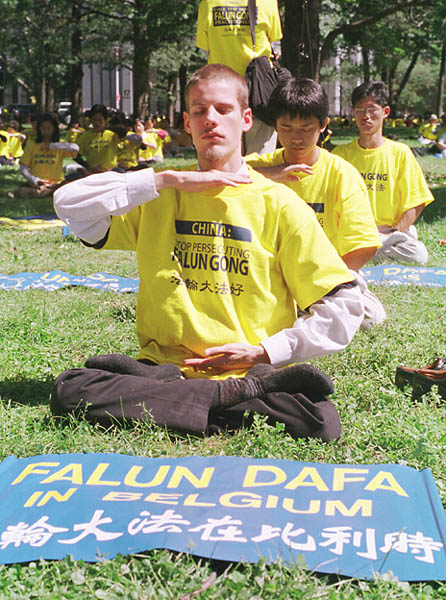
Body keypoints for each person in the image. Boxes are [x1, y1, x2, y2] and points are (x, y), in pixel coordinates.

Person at [52, 64, 364, 442]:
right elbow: (68, 205)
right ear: (187, 122)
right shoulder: (160, 194)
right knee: (70, 389)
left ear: (246, 119)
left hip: (250, 372)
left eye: (223, 109)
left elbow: (345, 306)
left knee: (319, 421)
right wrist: (163, 178)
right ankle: (218, 401)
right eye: (200, 111)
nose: (211, 119)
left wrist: (265, 352)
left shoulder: (280, 203)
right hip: (165, 368)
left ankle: (182, 404)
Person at [245, 78, 384, 328]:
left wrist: (320, 283)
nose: (296, 138)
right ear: (275, 125)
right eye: (286, 128)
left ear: (323, 126)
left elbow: (363, 246)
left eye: (306, 128)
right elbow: (210, 179)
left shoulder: (341, 174)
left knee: (370, 318)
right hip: (267, 277)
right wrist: (268, 174)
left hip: (324, 278)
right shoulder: (255, 167)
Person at [332, 81, 434, 266]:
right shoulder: (340, 154)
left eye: (372, 110)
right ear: (353, 113)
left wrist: (394, 231)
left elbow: (416, 202)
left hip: (388, 232)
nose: (366, 116)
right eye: (360, 110)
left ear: (385, 112)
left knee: (418, 254)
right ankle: (367, 253)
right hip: (353, 231)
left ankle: (363, 255)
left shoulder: (400, 153)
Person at [196, 0, 282, 155]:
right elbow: (274, 41)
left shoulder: (208, 3)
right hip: (260, 91)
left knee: (225, 159)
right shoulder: (268, 2)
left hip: (221, 92)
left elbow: (206, 46)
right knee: (260, 161)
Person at [15, 112, 78, 197]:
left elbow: (76, 148)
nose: (46, 131)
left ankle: (41, 192)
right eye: (43, 128)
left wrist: (52, 146)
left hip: (56, 183)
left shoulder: (59, 145)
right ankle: (43, 192)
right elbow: (23, 168)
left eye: (49, 128)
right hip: (37, 183)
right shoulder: (32, 145)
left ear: (54, 129)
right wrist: (36, 180)